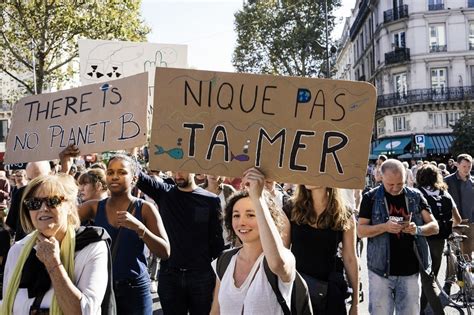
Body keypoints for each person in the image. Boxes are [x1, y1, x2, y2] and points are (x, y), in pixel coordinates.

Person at [0, 174, 111, 314]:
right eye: (34, 203)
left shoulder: (91, 246)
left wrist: (53, 263)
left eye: (52, 201)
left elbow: (85, 311)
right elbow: (7, 303)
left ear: (70, 206)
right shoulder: (18, 250)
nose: (43, 208)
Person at [78, 154, 170, 314]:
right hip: (103, 288)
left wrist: (140, 228)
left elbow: (165, 252)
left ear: (134, 179)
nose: (114, 177)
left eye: (122, 172)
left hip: (135, 291)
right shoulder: (93, 207)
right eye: (110, 172)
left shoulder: (146, 209)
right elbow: (61, 222)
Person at [136, 166, 224, 314]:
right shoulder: (165, 193)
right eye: (174, 170)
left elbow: (216, 241)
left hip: (201, 275)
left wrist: (219, 278)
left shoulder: (210, 200)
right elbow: (137, 175)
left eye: (182, 169)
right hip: (170, 275)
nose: (177, 175)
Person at [358, 159, 439, 314]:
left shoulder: (415, 196)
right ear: (381, 178)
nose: (395, 188)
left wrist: (418, 229)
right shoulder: (371, 198)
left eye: (400, 184)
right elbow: (360, 231)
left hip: (410, 270)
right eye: (390, 184)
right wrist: (384, 227)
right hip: (380, 270)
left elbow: (434, 226)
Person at [210, 168, 296, 315]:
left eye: (250, 215)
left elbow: (277, 263)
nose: (241, 222)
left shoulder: (285, 258)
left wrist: (259, 198)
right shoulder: (225, 260)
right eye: (236, 215)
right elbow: (216, 311)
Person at [287, 184, 359, 314]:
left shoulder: (345, 213)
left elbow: (350, 258)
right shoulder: (290, 208)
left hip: (331, 294)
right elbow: (283, 253)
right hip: (297, 291)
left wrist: (355, 303)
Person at [416, 163, 462, 313]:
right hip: (440, 240)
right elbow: (458, 219)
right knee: (431, 277)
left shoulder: (417, 193)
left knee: (423, 279)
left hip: (422, 238)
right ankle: (423, 308)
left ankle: (429, 309)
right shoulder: (445, 194)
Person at [6, 161, 51, 242]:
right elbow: (11, 224)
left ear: (50, 174)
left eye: (38, 179)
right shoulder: (21, 193)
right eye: (30, 179)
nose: (34, 184)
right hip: (24, 246)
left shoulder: (56, 193)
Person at [444, 153, 473, 261]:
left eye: (469, 166)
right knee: (454, 254)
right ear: (457, 165)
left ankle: (468, 277)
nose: (467, 169)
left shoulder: (472, 181)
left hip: (470, 222)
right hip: (454, 222)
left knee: (468, 255)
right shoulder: (448, 181)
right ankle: (454, 277)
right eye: (464, 166)